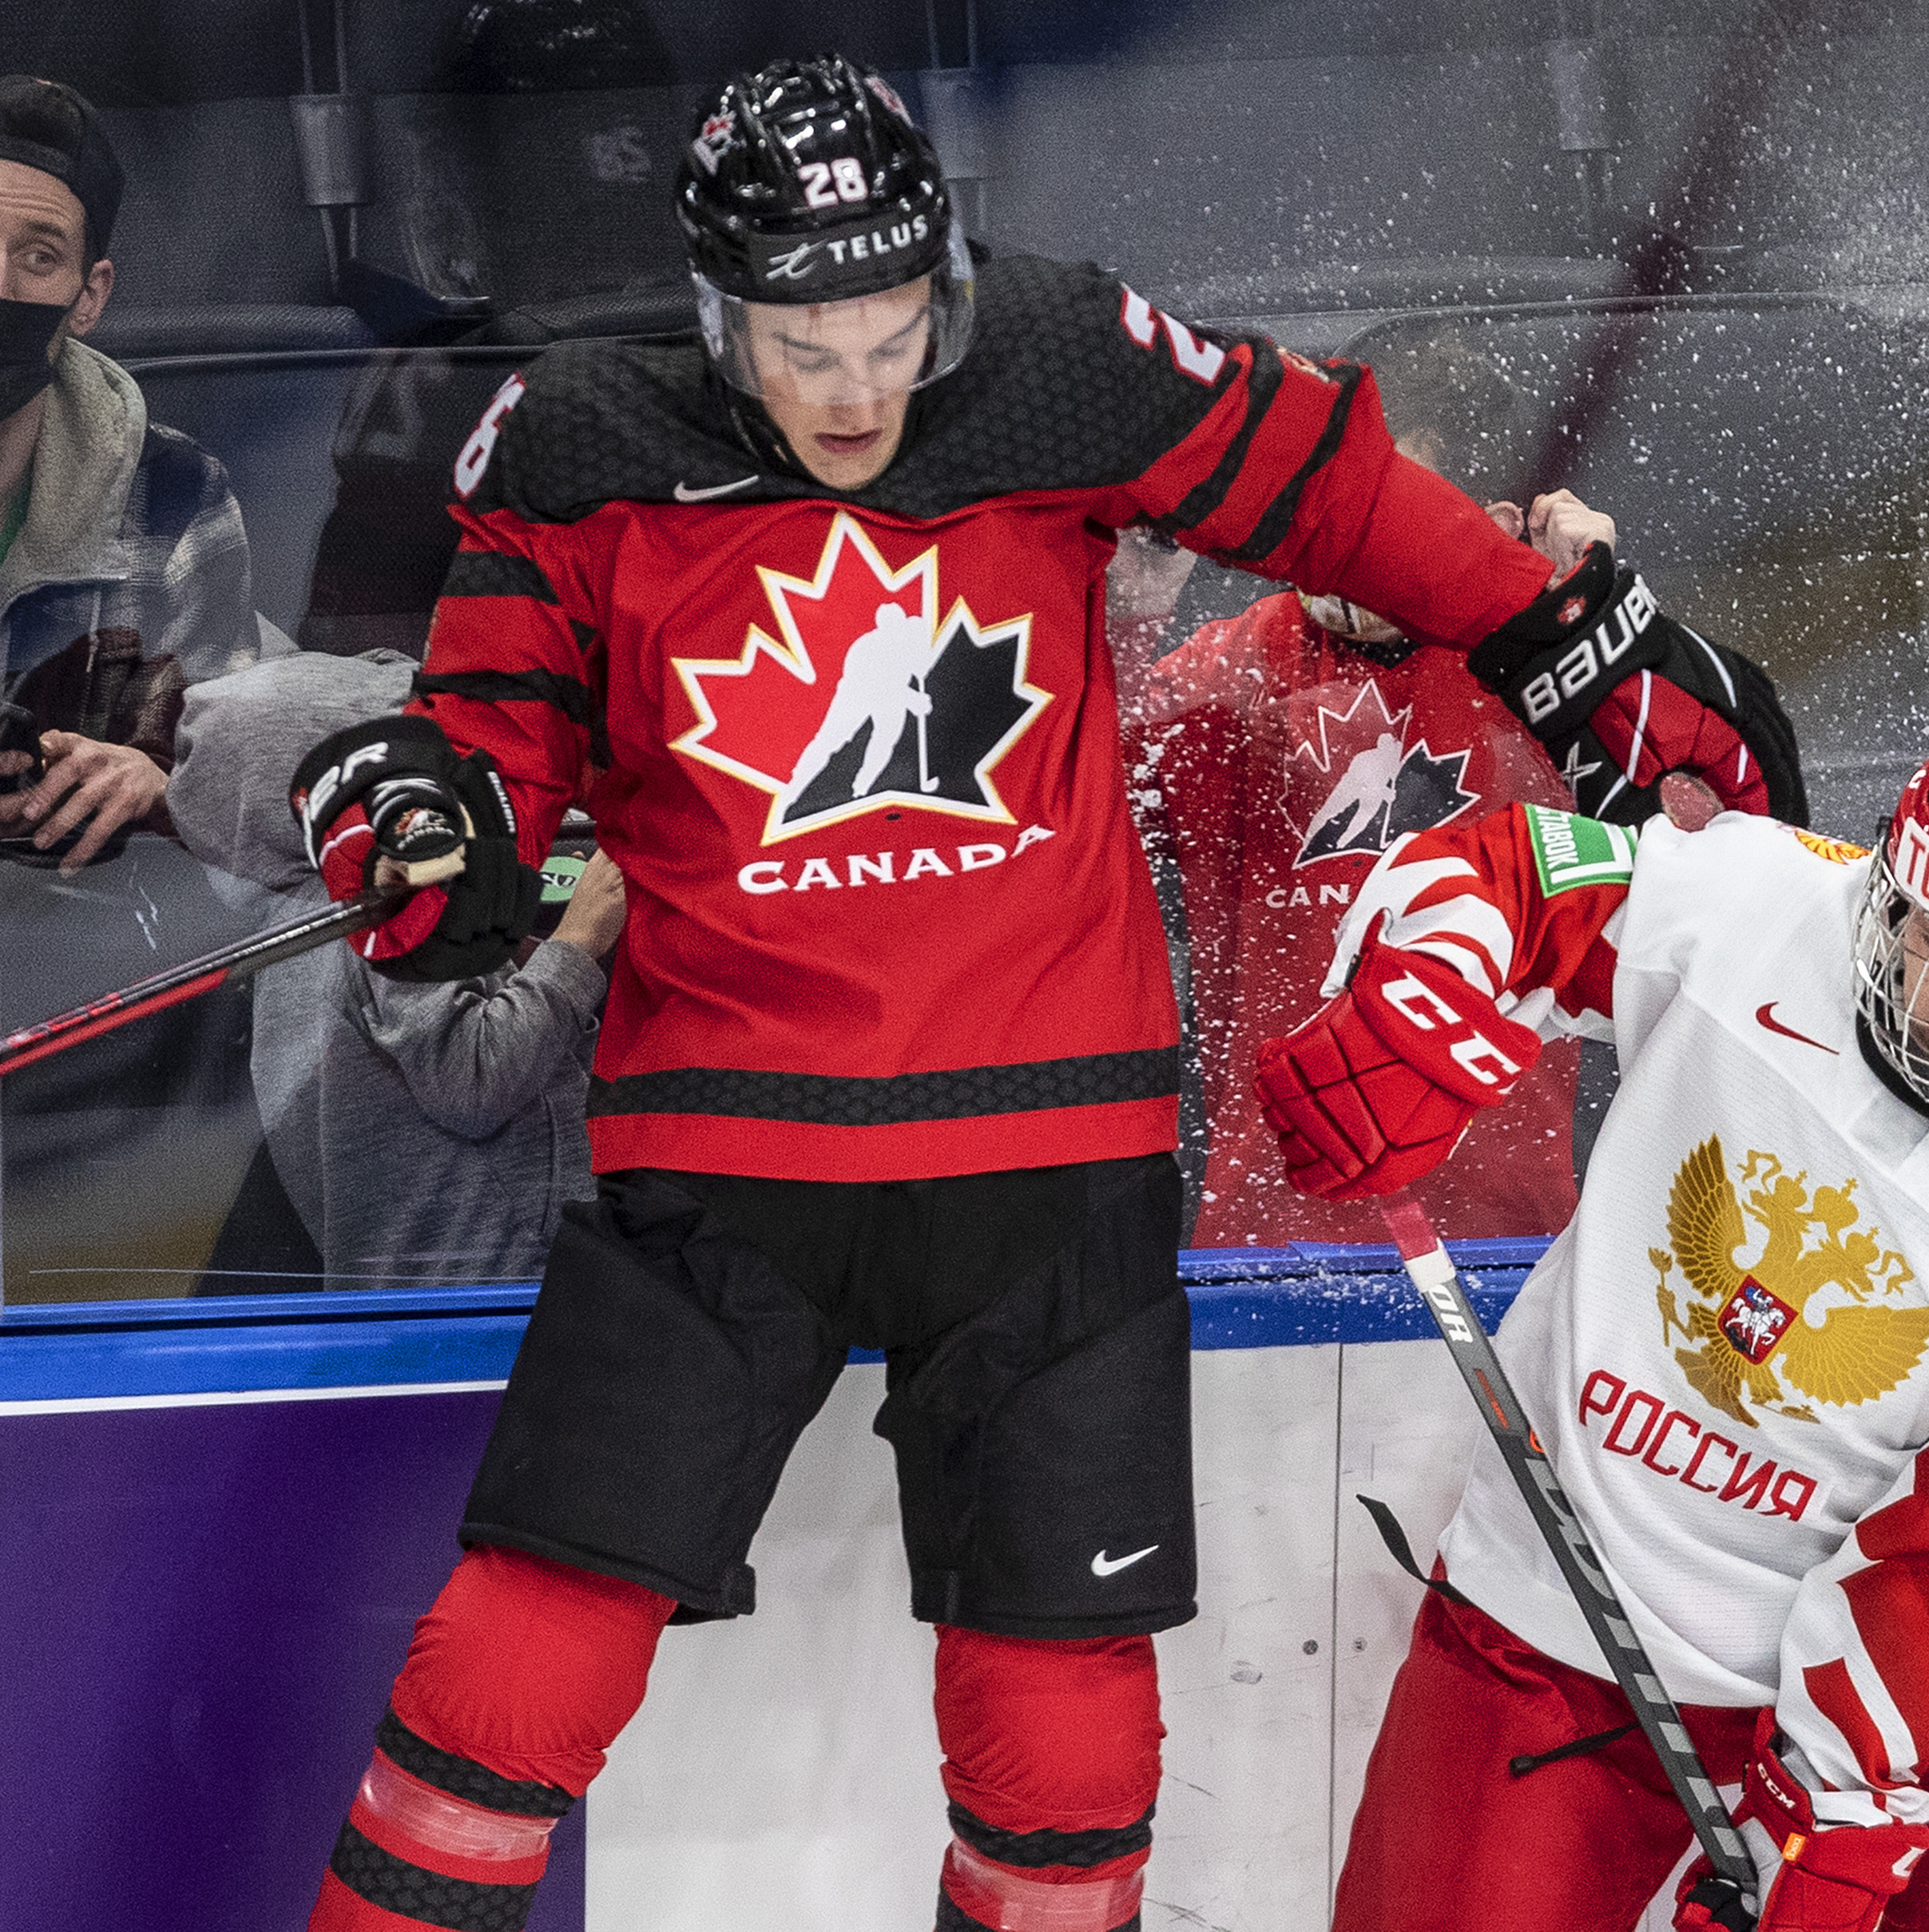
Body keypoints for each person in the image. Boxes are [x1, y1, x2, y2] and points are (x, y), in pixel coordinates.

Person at [284, 54, 1792, 1932]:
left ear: (949, 285)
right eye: (800, 346)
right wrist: (424, 834)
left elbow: (1332, 495)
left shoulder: (1073, 365)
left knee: (1066, 1733)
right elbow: (485, 750)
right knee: (524, 1639)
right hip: (723, 1152)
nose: (851, 390)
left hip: (1050, 1162)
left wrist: (1554, 630)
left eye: (889, 333)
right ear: (712, 313)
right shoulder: (584, 443)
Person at [1257, 693, 1929, 1931]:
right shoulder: (1760, 900)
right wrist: (1411, 1004)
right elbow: (1508, 873)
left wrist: (1828, 1785)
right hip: (1557, 1628)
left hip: (1926, 1717)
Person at [1123, 333, 1804, 1247]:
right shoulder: (1227, 673)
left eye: (1388, 515)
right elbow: (1067, 823)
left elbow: (1724, 873)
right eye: (1338, 508)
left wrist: (1608, 628)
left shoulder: (1553, 678)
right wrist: (1129, 608)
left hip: (1510, 1237)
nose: (1347, 548)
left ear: (1482, 521)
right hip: (1270, 1247)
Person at [169, 649, 621, 1288]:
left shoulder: (298, 919)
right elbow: (475, 1077)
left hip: (407, 1299)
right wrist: (580, 938)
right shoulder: (383, 917)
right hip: (491, 1294)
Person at [0, 75, 276, 872]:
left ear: (89, 297)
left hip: (94, 957)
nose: (2, 286)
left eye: (39, 256)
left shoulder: (176, 495)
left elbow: (236, 766)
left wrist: (157, 782)